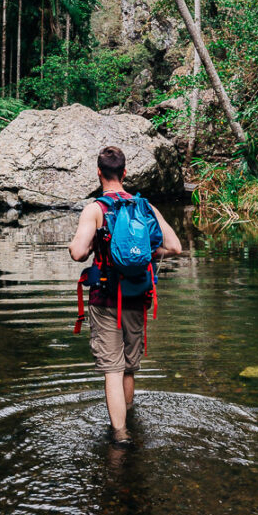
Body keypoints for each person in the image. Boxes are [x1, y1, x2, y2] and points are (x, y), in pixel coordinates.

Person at [68, 146, 182, 446]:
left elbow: (79, 253)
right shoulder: (144, 207)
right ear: (125, 172)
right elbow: (174, 247)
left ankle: (119, 437)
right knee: (129, 367)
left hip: (106, 299)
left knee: (112, 370)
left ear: (99, 173)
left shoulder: (95, 209)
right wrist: (141, 253)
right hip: (137, 295)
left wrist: (89, 246)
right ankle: (129, 419)